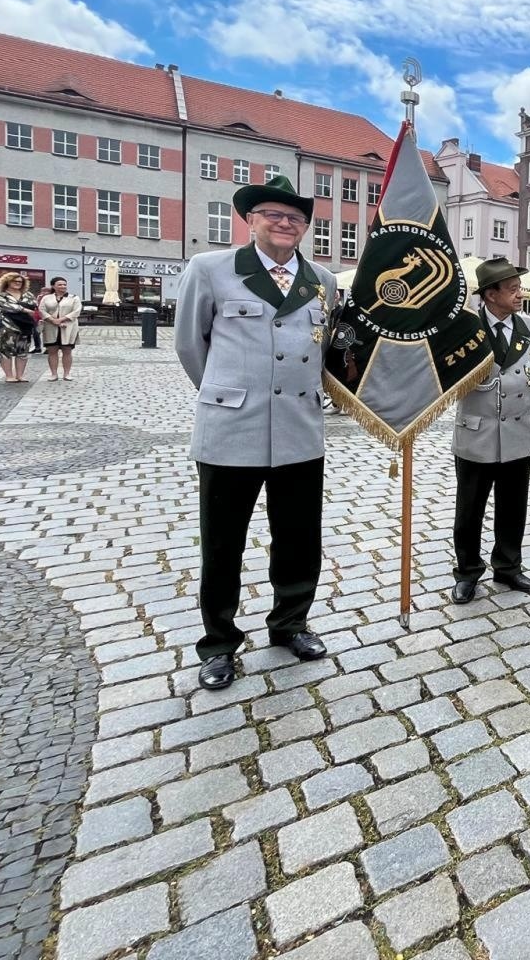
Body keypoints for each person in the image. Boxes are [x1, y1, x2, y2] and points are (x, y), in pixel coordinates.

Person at [175, 175, 336, 690]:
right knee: (223, 544)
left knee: (298, 539)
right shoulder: (210, 269)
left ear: (305, 227)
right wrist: (228, 394)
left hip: (299, 430)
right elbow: (190, 345)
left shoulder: (322, 280)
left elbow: (324, 348)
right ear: (251, 220)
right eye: (273, 214)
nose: (285, 223)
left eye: (296, 218)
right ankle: (219, 643)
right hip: (231, 431)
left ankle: (290, 623)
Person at [451, 259, 530, 600]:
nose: (519, 294)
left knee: (513, 506)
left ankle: (508, 566)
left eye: (519, 288)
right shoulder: (466, 328)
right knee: (470, 510)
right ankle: (467, 572)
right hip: (476, 432)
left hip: (519, 431)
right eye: (512, 289)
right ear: (491, 295)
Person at [0, 273, 38, 382]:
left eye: (20, 281)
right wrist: (24, 309)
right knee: (5, 350)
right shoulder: (0, 294)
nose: (17, 283)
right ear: (7, 281)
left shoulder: (28, 294)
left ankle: (20, 375)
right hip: (7, 324)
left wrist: (24, 310)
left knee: (23, 351)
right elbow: (7, 306)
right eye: (14, 281)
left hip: (25, 325)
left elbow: (34, 305)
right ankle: (9, 376)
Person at [39, 276, 81, 381]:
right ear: (53, 286)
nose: (63, 286)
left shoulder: (74, 298)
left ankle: (67, 374)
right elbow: (42, 310)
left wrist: (62, 319)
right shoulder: (46, 298)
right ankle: (54, 374)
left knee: (67, 350)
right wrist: (53, 320)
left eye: (64, 284)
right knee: (52, 351)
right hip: (50, 327)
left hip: (68, 327)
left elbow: (76, 311)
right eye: (60, 284)